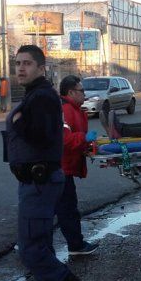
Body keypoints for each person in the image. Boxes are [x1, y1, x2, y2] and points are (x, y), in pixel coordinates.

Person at [6, 45, 94, 281]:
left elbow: (42, 136)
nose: (21, 68)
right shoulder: (36, 94)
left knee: (30, 249)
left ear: (41, 68)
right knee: (40, 246)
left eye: (27, 63)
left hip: (39, 182)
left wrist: (18, 123)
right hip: (36, 180)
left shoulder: (42, 97)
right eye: (18, 63)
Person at [58, 75, 99, 255]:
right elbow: (65, 140)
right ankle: (76, 245)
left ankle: (27, 241)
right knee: (67, 209)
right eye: (81, 90)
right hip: (61, 168)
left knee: (52, 208)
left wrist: (86, 145)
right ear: (71, 92)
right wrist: (84, 138)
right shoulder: (66, 111)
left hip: (62, 167)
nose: (84, 94)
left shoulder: (74, 109)